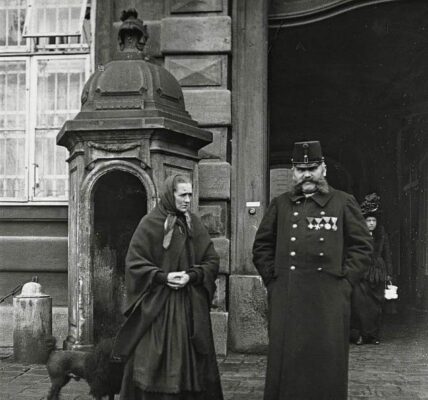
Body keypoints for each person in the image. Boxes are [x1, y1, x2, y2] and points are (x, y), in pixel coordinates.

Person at [252, 140, 373, 400]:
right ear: (293, 173)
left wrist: (344, 282)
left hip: (328, 301)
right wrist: (273, 279)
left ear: (324, 170)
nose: (307, 174)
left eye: (313, 167)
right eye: (300, 168)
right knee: (288, 364)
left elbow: (362, 247)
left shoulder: (343, 202)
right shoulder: (280, 204)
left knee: (325, 365)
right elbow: (261, 245)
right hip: (288, 298)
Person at [112, 174, 223, 400]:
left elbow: (212, 260)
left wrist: (191, 276)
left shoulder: (194, 222)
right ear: (169, 195)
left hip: (190, 305)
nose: (187, 200)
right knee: (152, 362)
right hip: (158, 308)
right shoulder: (150, 223)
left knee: (192, 363)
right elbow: (134, 263)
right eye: (182, 194)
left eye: (190, 194)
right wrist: (162, 277)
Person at [350, 193, 393, 345]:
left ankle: (373, 336)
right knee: (360, 304)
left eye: (373, 220)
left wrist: (388, 275)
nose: (371, 223)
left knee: (376, 306)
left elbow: (387, 255)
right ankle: (360, 335)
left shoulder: (382, 235)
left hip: (378, 273)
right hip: (362, 272)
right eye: (368, 220)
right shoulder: (359, 235)